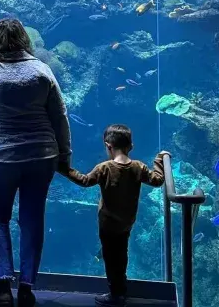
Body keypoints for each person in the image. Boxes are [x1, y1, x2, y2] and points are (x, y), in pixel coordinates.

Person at [0, 18, 72, 307]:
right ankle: (26, 288)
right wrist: (65, 156)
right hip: (43, 156)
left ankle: (3, 288)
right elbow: (60, 117)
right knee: (32, 218)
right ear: (24, 39)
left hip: (3, 157)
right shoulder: (42, 71)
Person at [59, 125, 167, 307]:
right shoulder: (138, 167)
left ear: (108, 146)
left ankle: (115, 295)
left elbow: (85, 181)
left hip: (108, 224)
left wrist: (64, 169)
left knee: (110, 258)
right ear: (130, 146)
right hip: (127, 223)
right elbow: (157, 180)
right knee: (122, 255)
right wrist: (159, 159)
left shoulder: (104, 168)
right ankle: (121, 290)